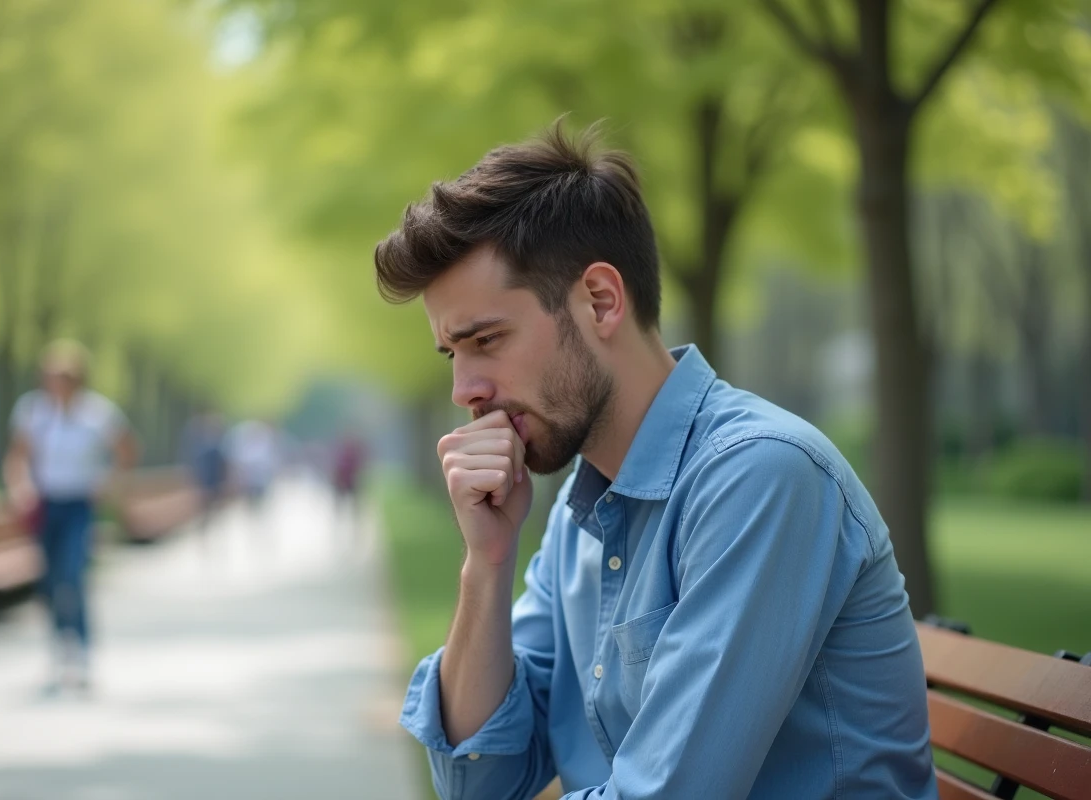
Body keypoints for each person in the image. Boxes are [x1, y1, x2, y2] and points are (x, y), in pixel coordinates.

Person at [376, 123, 936, 799]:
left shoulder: (759, 477)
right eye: (452, 354)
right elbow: (480, 781)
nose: (464, 389)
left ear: (601, 302)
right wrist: (487, 564)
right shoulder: (577, 514)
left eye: (486, 340)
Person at [2, 340, 135, 692]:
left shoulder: (97, 413)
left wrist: (108, 483)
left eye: (63, 376)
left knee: (73, 575)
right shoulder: (33, 411)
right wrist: (20, 488)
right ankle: (58, 651)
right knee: (49, 580)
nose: (55, 382)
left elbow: (126, 450)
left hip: (78, 504)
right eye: (50, 376)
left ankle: (81, 650)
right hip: (46, 505)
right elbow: (17, 457)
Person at [180, 411, 230, 531]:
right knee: (209, 511)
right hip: (210, 484)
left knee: (208, 511)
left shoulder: (207, 448)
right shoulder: (212, 448)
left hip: (208, 483)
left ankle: (207, 530)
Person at [225, 419, 281, 512]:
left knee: (259, 497)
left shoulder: (264, 444)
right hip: (251, 479)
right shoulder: (249, 447)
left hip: (260, 479)